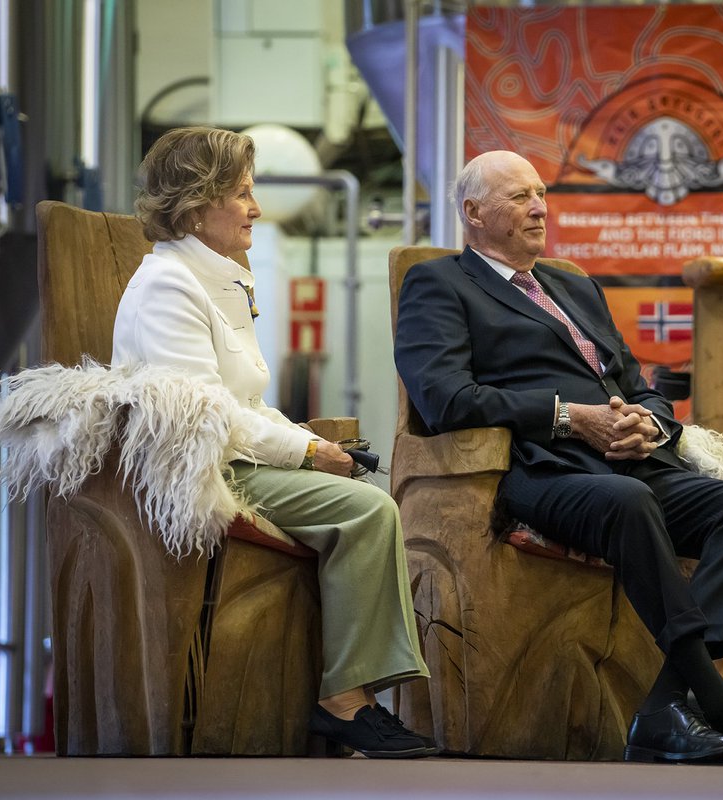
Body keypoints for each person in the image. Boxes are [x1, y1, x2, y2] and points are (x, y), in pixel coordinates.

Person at [393, 150, 723, 765]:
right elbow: (443, 397)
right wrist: (568, 417)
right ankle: (719, 701)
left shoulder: (574, 284)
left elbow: (634, 382)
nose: (539, 207)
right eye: (518, 198)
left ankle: (671, 703)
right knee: (629, 500)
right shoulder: (442, 283)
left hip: (630, 462)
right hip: (538, 470)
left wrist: (652, 423)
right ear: (473, 213)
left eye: (540, 193)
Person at [112, 126, 435, 758]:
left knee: (363, 492)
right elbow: (203, 416)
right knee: (368, 510)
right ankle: (346, 702)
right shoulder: (168, 286)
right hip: (200, 471)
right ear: (197, 205)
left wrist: (306, 439)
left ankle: (359, 693)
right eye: (242, 195)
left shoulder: (221, 277)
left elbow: (248, 401)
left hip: (233, 455)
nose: (256, 208)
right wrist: (311, 453)